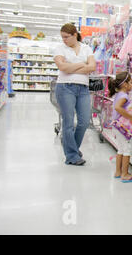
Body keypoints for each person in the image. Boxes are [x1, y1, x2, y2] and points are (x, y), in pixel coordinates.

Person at [53, 23, 96, 166]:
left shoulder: (86, 48)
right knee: (68, 122)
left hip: (83, 89)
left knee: (84, 122)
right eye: (62, 37)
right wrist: (82, 65)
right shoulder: (60, 48)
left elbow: (92, 67)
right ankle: (71, 155)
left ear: (75, 35)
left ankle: (73, 149)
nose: (64, 40)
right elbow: (62, 67)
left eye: (66, 37)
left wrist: (71, 67)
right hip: (65, 87)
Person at [108, 71, 132, 183]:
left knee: (120, 149)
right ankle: (125, 174)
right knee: (127, 150)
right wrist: (131, 117)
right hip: (122, 128)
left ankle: (118, 172)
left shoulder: (118, 95)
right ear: (125, 84)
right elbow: (118, 107)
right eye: (131, 82)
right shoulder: (124, 96)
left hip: (116, 127)